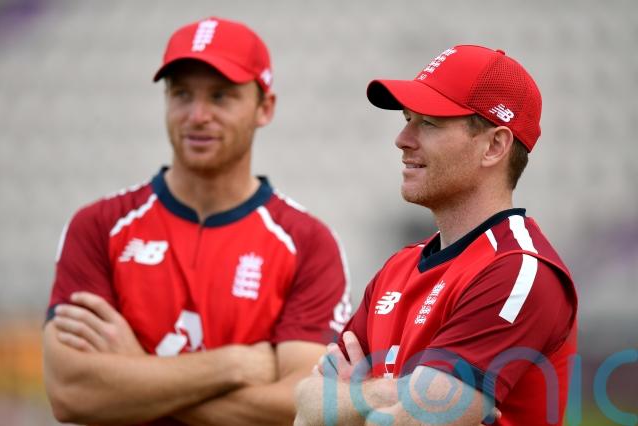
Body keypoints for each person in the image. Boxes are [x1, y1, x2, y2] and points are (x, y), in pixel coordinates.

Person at [43, 16, 351, 426]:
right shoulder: (98, 226)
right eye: (182, 94)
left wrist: (139, 375)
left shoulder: (307, 242)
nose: (197, 115)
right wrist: (233, 365)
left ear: (265, 108)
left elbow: (302, 406)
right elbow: (70, 394)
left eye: (221, 96)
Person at [295, 45, 578, 425]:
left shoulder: (518, 271)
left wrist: (353, 400)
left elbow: (420, 420)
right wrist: (395, 393)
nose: (402, 138)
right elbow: (307, 407)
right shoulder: (397, 268)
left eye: (428, 123)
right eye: (407, 119)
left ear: (494, 146)